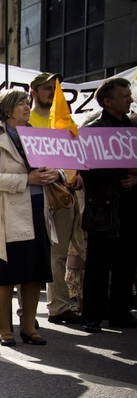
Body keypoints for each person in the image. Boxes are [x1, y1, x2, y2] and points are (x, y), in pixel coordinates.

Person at [0, 88, 56, 347]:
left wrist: (57, 175)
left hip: (37, 210)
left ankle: (30, 328)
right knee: (6, 275)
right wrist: (27, 179)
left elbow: (57, 165)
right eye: (21, 103)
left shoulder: (38, 135)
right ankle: (5, 329)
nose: (26, 106)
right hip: (8, 215)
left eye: (27, 102)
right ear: (8, 109)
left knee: (34, 273)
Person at [80, 77, 137, 332]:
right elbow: (86, 169)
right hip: (102, 206)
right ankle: (92, 316)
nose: (130, 100)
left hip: (129, 204)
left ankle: (120, 313)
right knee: (98, 264)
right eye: (125, 96)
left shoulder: (133, 128)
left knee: (127, 262)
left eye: (129, 95)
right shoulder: (93, 130)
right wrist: (118, 175)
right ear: (108, 101)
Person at [29, 72, 86, 325]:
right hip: (41, 193)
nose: (52, 92)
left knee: (67, 250)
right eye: (46, 88)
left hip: (68, 194)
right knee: (50, 252)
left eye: (55, 87)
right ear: (34, 92)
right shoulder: (26, 122)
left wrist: (79, 174)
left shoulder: (64, 120)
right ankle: (53, 306)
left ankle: (69, 304)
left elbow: (76, 155)